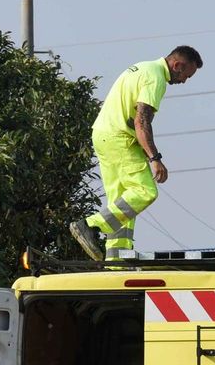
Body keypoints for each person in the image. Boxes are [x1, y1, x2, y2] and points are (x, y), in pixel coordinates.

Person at [69, 46, 203, 261]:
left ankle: (115, 262)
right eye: (186, 75)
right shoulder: (155, 77)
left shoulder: (142, 67)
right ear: (177, 65)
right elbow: (141, 121)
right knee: (145, 191)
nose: (184, 81)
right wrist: (155, 158)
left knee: (121, 206)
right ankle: (90, 225)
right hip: (121, 139)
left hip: (103, 136)